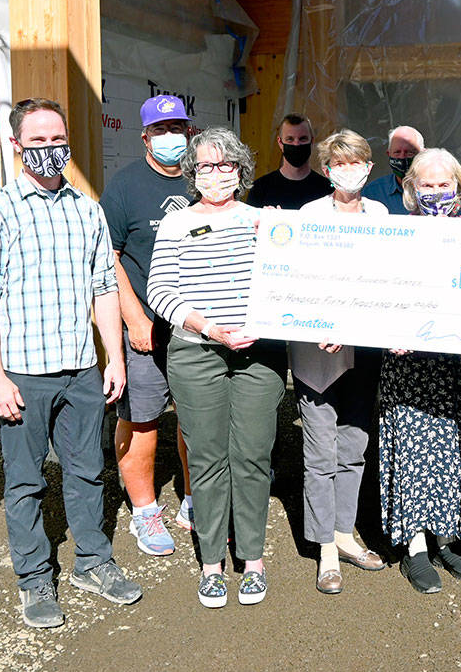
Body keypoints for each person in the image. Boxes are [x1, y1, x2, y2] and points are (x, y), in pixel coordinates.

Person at [0, 98, 141, 629]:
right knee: (24, 482)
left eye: (56, 139)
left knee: (88, 470)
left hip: (81, 370)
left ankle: (92, 561)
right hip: (22, 374)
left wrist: (113, 355)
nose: (49, 148)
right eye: (37, 140)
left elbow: (103, 287)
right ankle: (35, 578)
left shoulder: (86, 210)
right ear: (16, 146)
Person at [147, 127, 287, 609]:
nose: (216, 173)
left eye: (226, 164)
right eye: (206, 165)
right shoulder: (176, 224)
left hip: (258, 355)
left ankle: (252, 559)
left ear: (241, 170)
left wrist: (276, 238)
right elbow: (160, 292)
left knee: (251, 456)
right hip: (196, 352)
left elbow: (288, 282)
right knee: (206, 458)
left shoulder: (263, 221)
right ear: (192, 172)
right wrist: (211, 328)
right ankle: (211, 563)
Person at [378, 148, 461, 597]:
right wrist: (388, 330)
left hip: (455, 365)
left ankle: (446, 538)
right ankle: (417, 548)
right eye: (427, 184)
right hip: (407, 365)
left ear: (459, 189)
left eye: (445, 184)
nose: (437, 191)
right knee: (412, 449)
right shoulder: (395, 233)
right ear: (410, 189)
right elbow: (376, 292)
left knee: (453, 448)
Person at [290, 130, 389, 594]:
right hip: (318, 350)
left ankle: (345, 534)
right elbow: (296, 281)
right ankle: (325, 549)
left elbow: (384, 282)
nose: (350, 170)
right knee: (320, 450)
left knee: (353, 445)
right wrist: (318, 324)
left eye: (359, 162)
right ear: (327, 169)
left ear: (369, 168)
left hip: (364, 348)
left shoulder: (382, 215)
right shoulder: (308, 215)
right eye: (340, 163)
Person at [99, 94, 197, 557]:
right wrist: (133, 316)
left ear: (189, 133)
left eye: (176, 128)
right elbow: (109, 258)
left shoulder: (203, 181)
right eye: (160, 131)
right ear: (144, 137)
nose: (170, 138)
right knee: (142, 419)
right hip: (146, 325)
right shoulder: (123, 187)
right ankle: (144, 509)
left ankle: (196, 498)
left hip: (196, 326)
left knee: (198, 417)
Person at [248, 113, 332, 209]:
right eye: (290, 139)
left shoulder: (327, 190)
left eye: (302, 139)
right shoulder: (260, 189)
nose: (296, 144)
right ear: (280, 143)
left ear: (312, 141)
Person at [362, 125, 425, 215]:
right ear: (389, 154)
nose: (402, 157)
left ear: (422, 154)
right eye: (397, 152)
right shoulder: (373, 192)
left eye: (409, 152)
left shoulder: (438, 188)